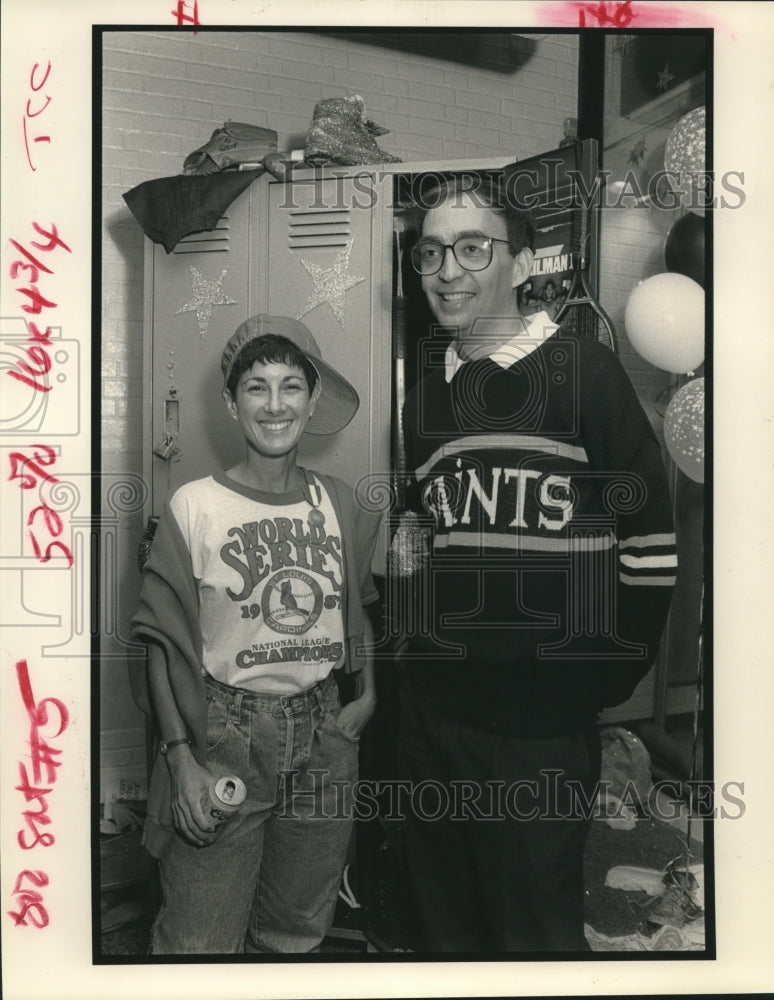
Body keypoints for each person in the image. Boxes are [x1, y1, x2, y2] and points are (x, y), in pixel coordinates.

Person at [396, 174, 678, 953]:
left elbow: (650, 549)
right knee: (445, 930)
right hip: (432, 719)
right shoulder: (425, 395)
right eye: (430, 252)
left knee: (533, 941)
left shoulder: (585, 370)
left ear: (520, 264)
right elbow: (419, 536)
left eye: (472, 247)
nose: (447, 269)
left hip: (539, 728)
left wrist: (600, 677)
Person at [129, 315, 381, 954]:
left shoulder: (342, 504)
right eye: (257, 387)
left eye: (291, 386)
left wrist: (368, 692)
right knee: (199, 941)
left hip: (325, 736)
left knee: (295, 931)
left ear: (313, 399)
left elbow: (359, 608)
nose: (275, 405)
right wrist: (180, 756)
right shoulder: (195, 505)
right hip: (225, 736)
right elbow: (163, 640)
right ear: (231, 403)